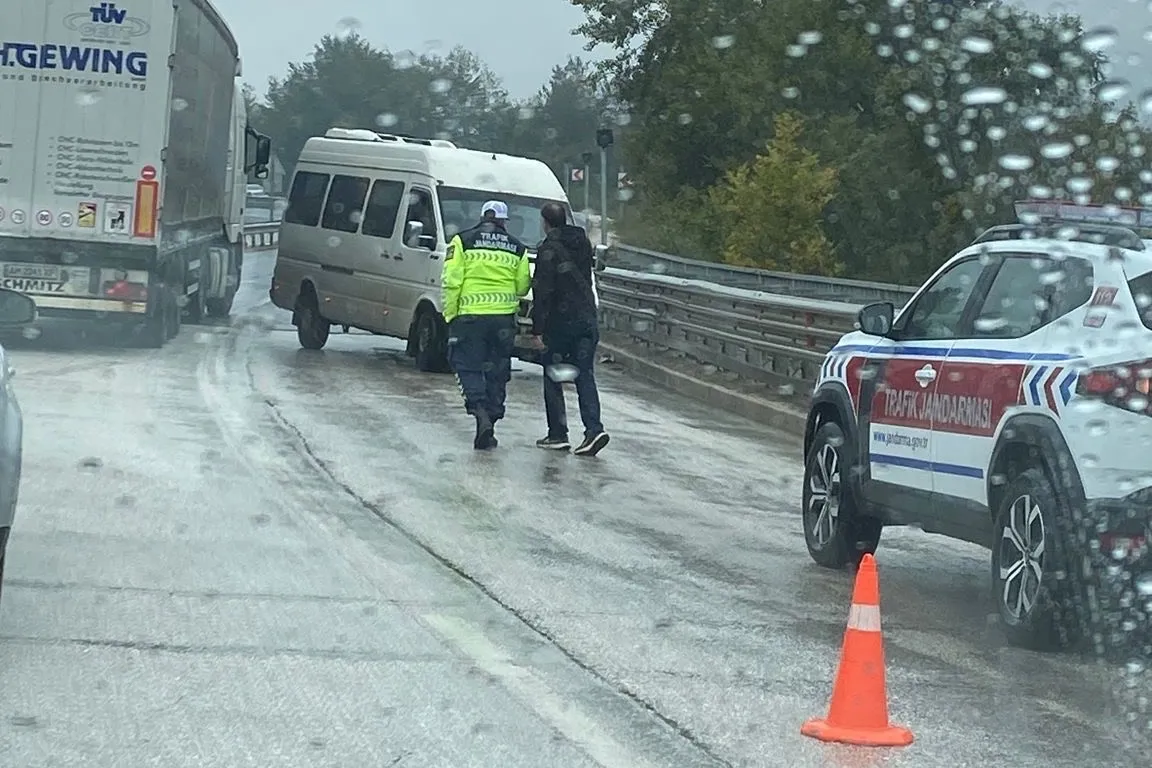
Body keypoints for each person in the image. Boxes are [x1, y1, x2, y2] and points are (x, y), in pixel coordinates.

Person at [442, 200, 532, 450]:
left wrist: (450, 315)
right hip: (503, 321)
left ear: (482, 217)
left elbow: (451, 280)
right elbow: (522, 286)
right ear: (503, 221)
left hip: (469, 318)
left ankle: (480, 412)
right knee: (497, 372)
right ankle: (491, 419)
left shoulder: (462, 241)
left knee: (467, 367)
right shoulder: (518, 247)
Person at [530, 202, 610, 456]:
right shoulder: (582, 243)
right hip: (586, 318)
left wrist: (537, 329)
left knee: (554, 375)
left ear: (545, 222)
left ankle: (558, 433)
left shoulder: (548, 249)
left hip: (560, 323)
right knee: (585, 375)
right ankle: (593, 429)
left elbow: (543, 291)